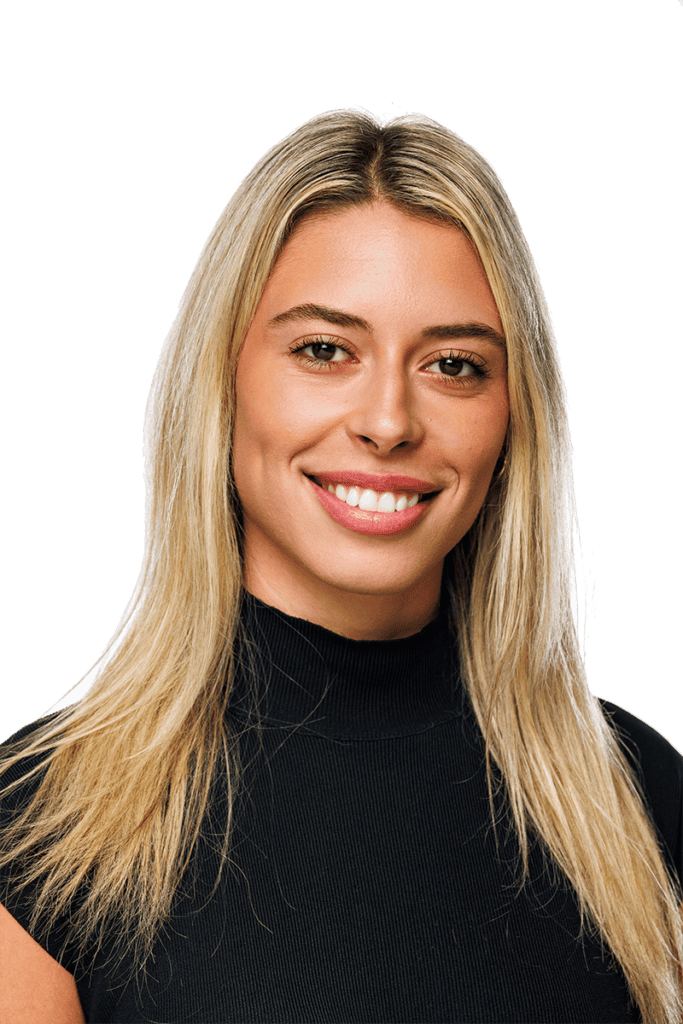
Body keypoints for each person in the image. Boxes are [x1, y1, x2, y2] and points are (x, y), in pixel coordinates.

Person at [0, 107, 681, 1024]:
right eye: (324, 350)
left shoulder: (640, 803)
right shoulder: (42, 831)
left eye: (453, 365)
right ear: (222, 380)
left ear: (513, 416)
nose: (388, 421)